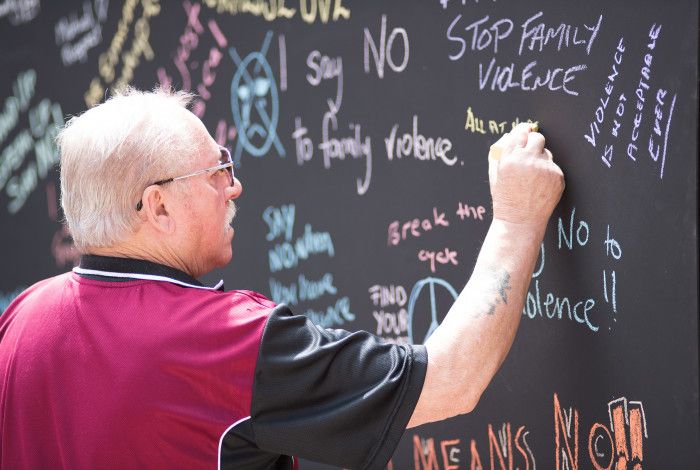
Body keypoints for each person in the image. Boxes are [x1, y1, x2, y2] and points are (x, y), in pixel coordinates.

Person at [0, 88, 564, 469]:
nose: (234, 186)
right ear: (159, 207)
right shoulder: (221, 343)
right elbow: (449, 382)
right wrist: (517, 221)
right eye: (217, 169)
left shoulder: (20, 319)